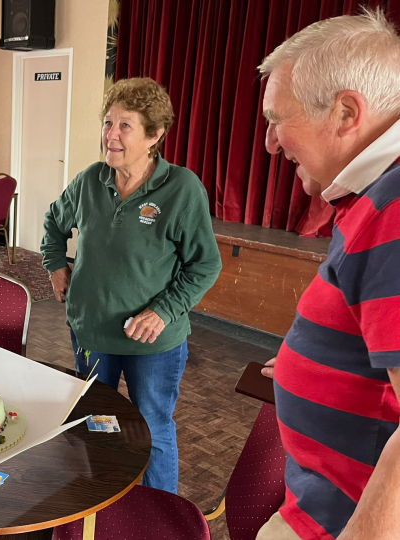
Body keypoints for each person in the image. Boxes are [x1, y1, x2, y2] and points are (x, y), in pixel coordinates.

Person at [255, 9, 400, 540]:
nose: (271, 143)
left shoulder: (394, 209)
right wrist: (312, 359)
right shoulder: (373, 198)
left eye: (277, 119)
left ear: (345, 113)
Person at [40, 77, 222, 494]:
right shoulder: (91, 180)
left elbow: (205, 265)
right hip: (91, 332)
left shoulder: (182, 189)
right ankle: (102, 503)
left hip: (153, 344)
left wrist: (163, 310)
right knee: (96, 423)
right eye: (108, 123)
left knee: (152, 427)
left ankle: (160, 514)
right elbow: (53, 222)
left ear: (155, 135)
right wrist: (54, 264)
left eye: (125, 126)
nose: (111, 135)